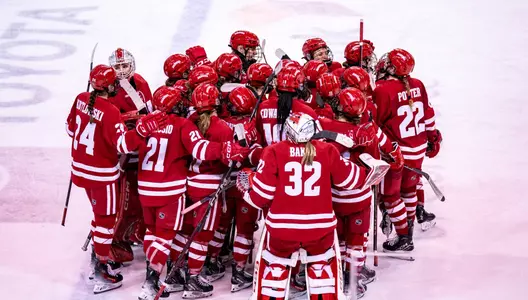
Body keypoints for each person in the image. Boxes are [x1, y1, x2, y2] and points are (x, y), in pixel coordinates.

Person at [236, 112, 389, 300]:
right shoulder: (327, 150)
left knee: (275, 267)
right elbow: (350, 179)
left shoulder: (273, 151)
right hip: (320, 230)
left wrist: (246, 188)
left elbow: (261, 197)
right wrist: (371, 172)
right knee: (321, 267)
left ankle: (274, 283)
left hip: (282, 231)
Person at [135, 86, 250, 299]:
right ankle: (191, 279)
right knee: (202, 235)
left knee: (182, 232)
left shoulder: (186, 122)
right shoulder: (207, 126)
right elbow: (210, 153)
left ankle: (176, 273)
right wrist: (236, 153)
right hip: (203, 187)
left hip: (182, 184)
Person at [66, 64, 167, 294]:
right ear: (111, 86)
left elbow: (70, 129)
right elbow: (123, 145)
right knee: (106, 221)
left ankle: (97, 258)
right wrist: (141, 131)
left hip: (79, 170)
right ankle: (102, 269)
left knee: (97, 216)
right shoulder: (110, 111)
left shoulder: (81, 98)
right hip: (101, 175)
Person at [320, 87, 403, 298]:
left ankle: (334, 275)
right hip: (361, 196)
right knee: (356, 240)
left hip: (333, 197)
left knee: (336, 238)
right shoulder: (369, 128)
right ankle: (353, 280)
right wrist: (394, 160)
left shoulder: (323, 125)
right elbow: (391, 152)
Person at [183, 83, 253, 298]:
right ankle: (195, 278)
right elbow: (229, 160)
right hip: (214, 186)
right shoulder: (223, 128)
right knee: (207, 234)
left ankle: (205, 265)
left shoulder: (189, 122)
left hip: (190, 182)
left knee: (192, 231)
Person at [373, 48, 442, 252]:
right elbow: (429, 115)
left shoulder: (381, 89)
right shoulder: (418, 84)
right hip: (418, 148)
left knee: (391, 196)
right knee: (409, 191)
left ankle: (404, 236)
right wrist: (432, 138)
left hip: (396, 152)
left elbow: (375, 123)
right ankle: (407, 230)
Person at [108, 48, 154, 261]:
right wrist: (133, 117)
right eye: (117, 67)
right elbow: (110, 123)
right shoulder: (109, 89)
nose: (122, 71)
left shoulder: (142, 84)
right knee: (124, 203)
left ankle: (134, 233)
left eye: (124, 66)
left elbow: (150, 113)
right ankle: (116, 243)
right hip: (121, 157)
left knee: (141, 201)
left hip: (141, 151)